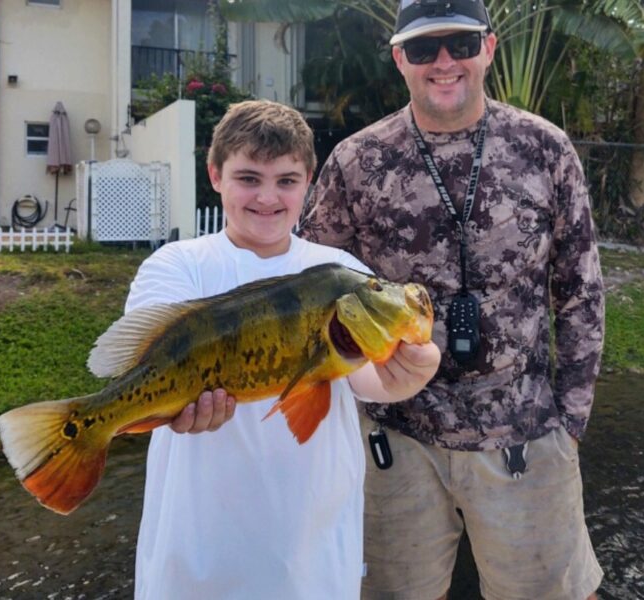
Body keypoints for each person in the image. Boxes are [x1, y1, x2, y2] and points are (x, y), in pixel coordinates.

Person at [299, 1, 606, 599]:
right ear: (399, 60)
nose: (444, 62)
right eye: (423, 49)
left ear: (488, 49)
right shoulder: (357, 160)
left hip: (525, 430)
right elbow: (312, 291)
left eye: (461, 45)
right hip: (397, 437)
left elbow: (580, 292)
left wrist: (570, 421)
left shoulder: (546, 149)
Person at [126, 99, 441, 600]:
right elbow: (143, 367)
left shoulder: (339, 271)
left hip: (309, 562)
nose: (268, 197)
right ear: (215, 175)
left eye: (287, 181)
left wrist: (409, 374)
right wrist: (167, 407)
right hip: (194, 562)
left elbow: (367, 379)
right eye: (248, 178)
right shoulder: (175, 267)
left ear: (309, 181)